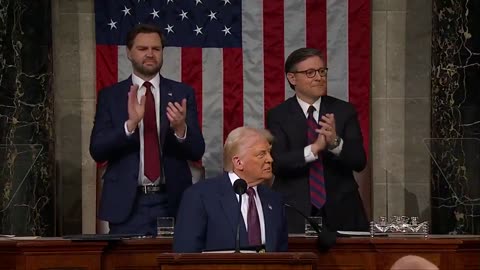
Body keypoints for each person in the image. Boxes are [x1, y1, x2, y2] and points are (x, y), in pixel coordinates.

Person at [89, 24, 205, 235]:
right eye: (143, 49)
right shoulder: (111, 96)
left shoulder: (181, 93)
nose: (150, 54)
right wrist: (129, 125)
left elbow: (197, 150)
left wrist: (181, 130)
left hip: (172, 201)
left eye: (156, 49)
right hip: (128, 203)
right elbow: (97, 150)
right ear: (129, 52)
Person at [266, 47, 368, 233]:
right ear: (292, 78)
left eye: (322, 71)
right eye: (310, 72)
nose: (319, 77)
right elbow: (278, 164)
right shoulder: (278, 115)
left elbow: (359, 161)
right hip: (295, 210)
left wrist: (335, 142)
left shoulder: (344, 111)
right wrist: (314, 148)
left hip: (341, 209)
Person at [173, 127, 288, 253]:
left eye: (269, 152)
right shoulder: (199, 196)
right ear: (238, 162)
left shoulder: (275, 200)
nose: (270, 159)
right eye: (262, 154)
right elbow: (185, 255)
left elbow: (281, 254)